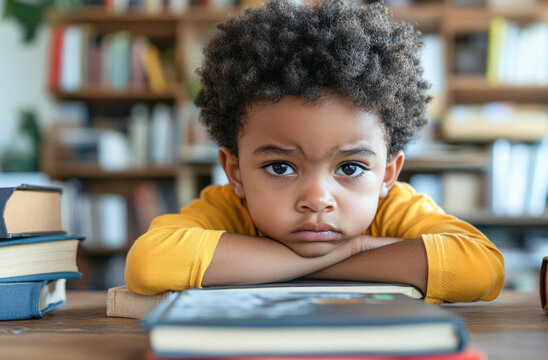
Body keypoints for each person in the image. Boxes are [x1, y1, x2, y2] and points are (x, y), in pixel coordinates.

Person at [125, 0, 504, 304]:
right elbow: (150, 263)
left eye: (351, 168)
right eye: (280, 167)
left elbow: (480, 269)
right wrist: (350, 250)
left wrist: (283, 264)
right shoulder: (227, 209)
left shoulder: (396, 208)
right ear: (236, 172)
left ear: (388, 174)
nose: (317, 200)